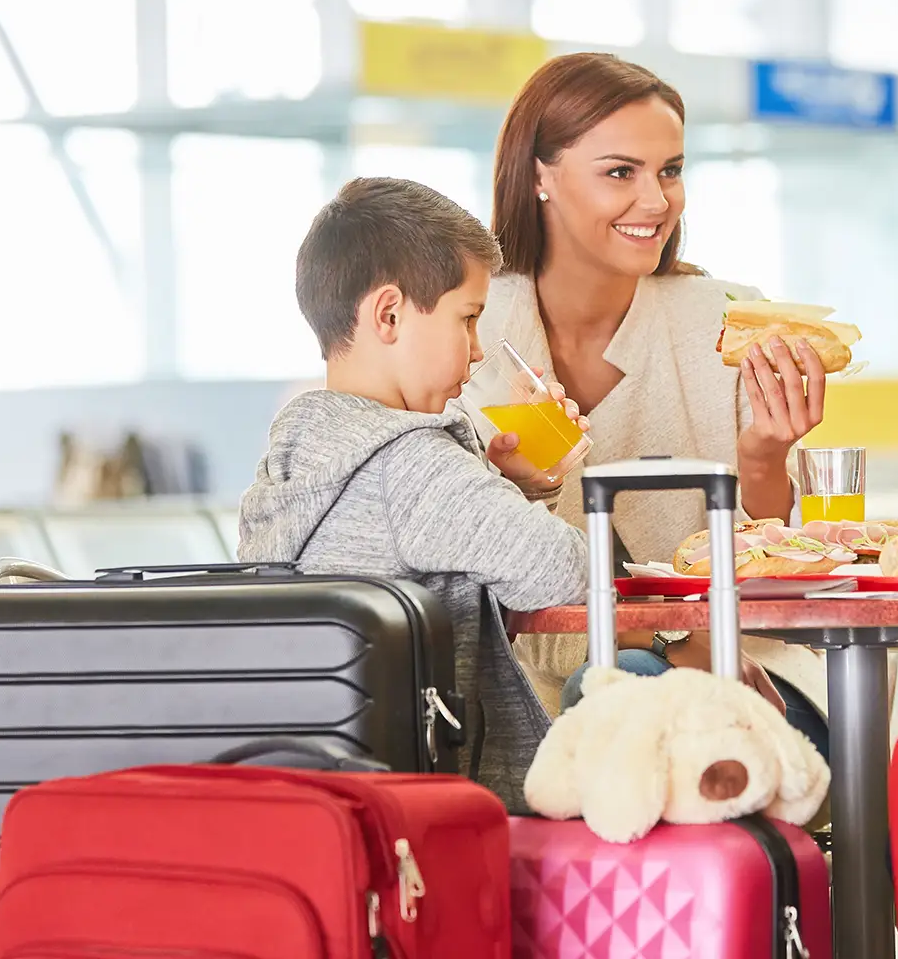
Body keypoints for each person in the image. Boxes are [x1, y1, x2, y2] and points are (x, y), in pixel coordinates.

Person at [482, 51, 831, 761]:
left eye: (670, 171)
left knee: (630, 699)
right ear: (540, 175)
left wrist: (765, 454)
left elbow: (769, 553)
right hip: (523, 691)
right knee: (624, 692)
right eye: (621, 172)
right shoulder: (470, 334)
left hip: (746, 675)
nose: (656, 201)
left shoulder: (728, 324)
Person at [237, 177, 590, 809]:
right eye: (469, 319)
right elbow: (560, 571)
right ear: (390, 314)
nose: (478, 352)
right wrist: (482, 485)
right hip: (431, 810)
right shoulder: (412, 458)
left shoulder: (289, 462)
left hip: (318, 798)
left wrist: (502, 487)